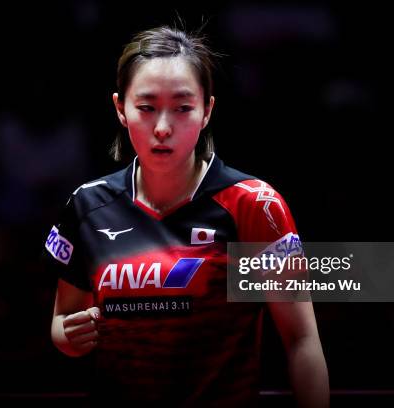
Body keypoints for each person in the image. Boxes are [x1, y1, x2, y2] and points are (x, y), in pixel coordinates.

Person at [44, 24, 329, 407]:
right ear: (120, 109)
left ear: (207, 110)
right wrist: (68, 338)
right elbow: (62, 321)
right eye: (146, 108)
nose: (163, 128)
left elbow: (301, 340)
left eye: (182, 108)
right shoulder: (86, 205)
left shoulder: (255, 206)